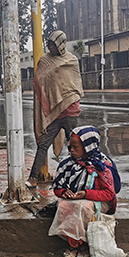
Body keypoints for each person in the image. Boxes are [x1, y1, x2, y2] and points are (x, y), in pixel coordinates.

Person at [48, 126, 118, 257]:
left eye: (75, 147)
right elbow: (57, 187)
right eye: (70, 147)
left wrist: (86, 194)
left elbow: (109, 194)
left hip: (99, 202)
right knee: (63, 205)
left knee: (82, 207)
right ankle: (74, 243)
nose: (72, 151)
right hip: (76, 200)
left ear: (88, 147)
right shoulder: (67, 164)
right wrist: (63, 192)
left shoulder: (102, 165)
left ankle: (85, 243)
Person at [28, 30, 84, 187]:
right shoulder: (45, 60)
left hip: (70, 110)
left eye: (53, 45)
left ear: (61, 44)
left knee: (75, 145)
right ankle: (33, 178)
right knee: (43, 144)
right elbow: (39, 80)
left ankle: (79, 176)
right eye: (49, 44)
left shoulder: (71, 60)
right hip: (53, 113)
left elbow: (74, 83)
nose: (50, 47)